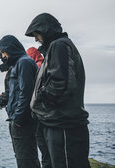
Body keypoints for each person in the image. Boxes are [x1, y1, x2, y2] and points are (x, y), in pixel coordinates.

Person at [25, 13, 90, 168]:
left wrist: (41, 100)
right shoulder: (57, 47)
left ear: (45, 30)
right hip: (57, 123)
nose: (35, 39)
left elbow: (62, 84)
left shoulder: (59, 45)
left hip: (63, 126)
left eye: (36, 34)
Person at [0, 35, 40, 168]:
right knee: (22, 157)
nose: (2, 56)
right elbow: (14, 93)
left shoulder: (24, 62)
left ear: (11, 48)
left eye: (3, 52)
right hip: (17, 119)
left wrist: (19, 118)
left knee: (26, 159)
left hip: (22, 121)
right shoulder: (18, 64)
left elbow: (26, 92)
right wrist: (1, 101)